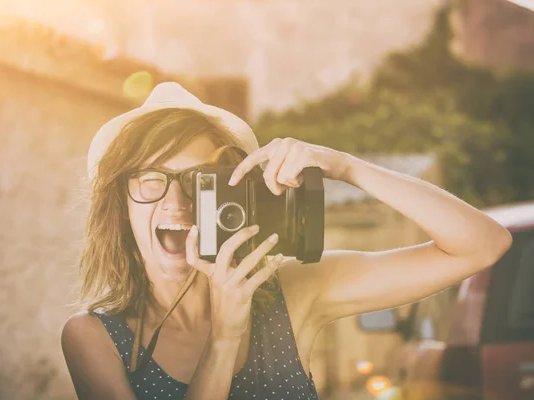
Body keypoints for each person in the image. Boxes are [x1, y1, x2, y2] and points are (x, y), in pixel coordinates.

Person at [61, 82, 512, 400]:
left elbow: (482, 244)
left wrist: (342, 166)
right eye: (150, 180)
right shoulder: (95, 339)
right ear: (121, 205)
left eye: (197, 181)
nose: (175, 202)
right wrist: (225, 334)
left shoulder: (293, 292)